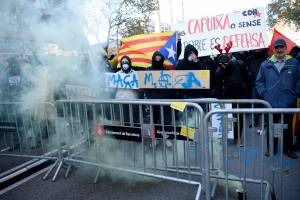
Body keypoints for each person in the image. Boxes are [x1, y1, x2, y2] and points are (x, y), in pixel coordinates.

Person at [256, 39, 300, 159]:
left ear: (286, 49)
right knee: (272, 127)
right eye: (277, 48)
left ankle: (288, 149)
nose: (279, 50)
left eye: (281, 47)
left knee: (287, 127)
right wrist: (265, 94)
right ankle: (271, 148)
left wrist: (295, 94)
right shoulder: (265, 64)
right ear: (273, 50)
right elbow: (259, 82)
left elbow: (299, 80)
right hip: (271, 103)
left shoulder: (294, 63)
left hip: (288, 102)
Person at [216, 52, 249, 144]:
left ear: (229, 62)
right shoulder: (219, 71)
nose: (223, 66)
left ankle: (237, 138)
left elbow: (248, 80)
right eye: (221, 65)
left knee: (240, 117)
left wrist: (248, 96)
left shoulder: (240, 65)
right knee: (228, 117)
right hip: (228, 96)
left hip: (241, 95)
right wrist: (221, 100)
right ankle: (225, 137)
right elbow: (218, 87)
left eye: (225, 64)